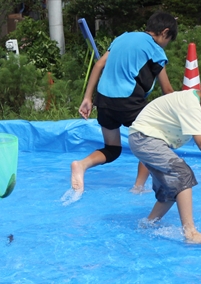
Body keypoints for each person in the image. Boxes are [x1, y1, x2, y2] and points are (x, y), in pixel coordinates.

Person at [128, 66, 201, 244]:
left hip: (143, 138)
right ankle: (190, 233)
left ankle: (147, 224)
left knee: (171, 188)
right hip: (144, 138)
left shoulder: (192, 104)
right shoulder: (191, 104)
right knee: (183, 173)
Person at [70, 11, 177, 195]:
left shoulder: (122, 38)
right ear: (165, 32)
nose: (166, 45)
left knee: (112, 149)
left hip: (103, 101)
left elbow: (98, 65)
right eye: (169, 40)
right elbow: (167, 91)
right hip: (129, 103)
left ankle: (81, 165)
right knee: (153, 140)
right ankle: (138, 187)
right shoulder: (155, 50)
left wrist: (88, 98)